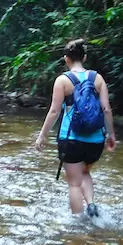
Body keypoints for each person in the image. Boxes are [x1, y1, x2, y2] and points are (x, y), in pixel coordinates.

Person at [34, 39, 117, 217]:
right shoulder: (98, 78)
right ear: (84, 57)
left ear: (66, 59)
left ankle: (78, 227)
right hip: (96, 139)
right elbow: (107, 109)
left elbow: (55, 111)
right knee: (85, 172)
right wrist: (111, 134)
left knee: (73, 183)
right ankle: (92, 205)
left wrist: (42, 136)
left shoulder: (62, 80)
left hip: (71, 138)